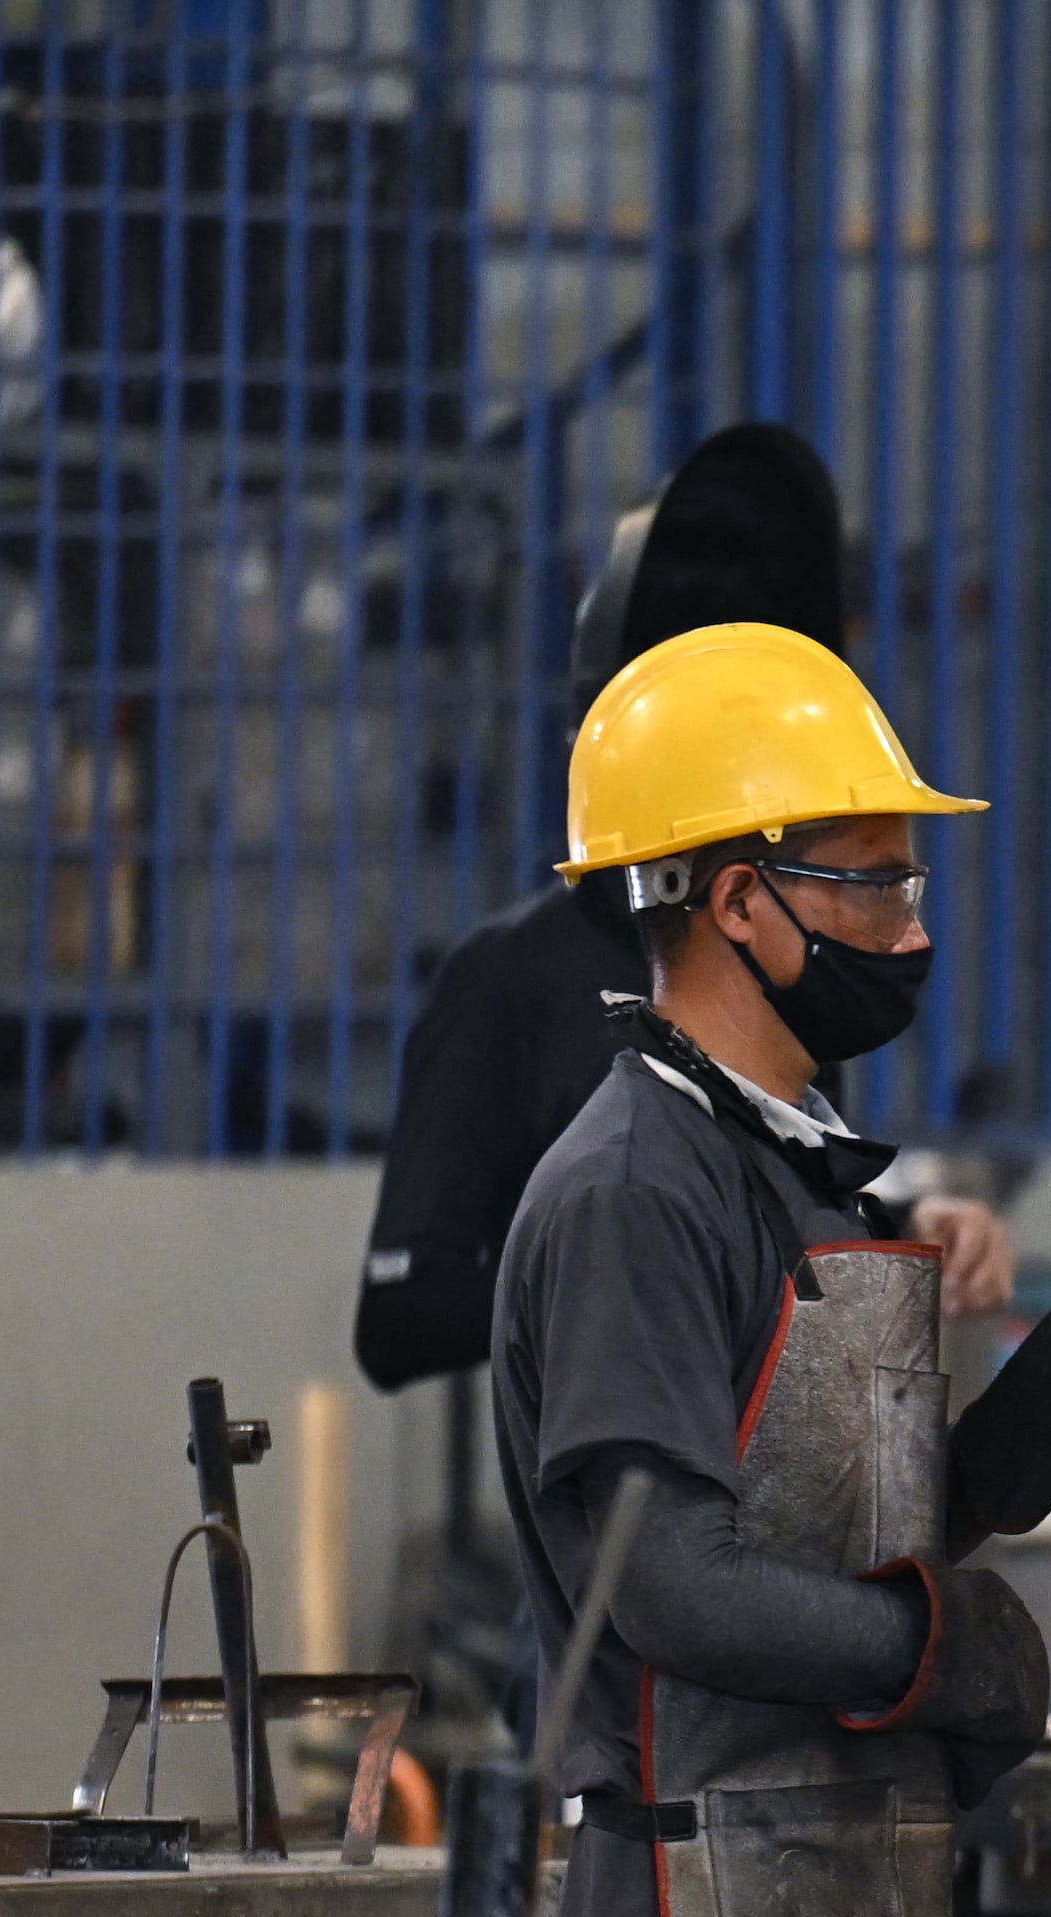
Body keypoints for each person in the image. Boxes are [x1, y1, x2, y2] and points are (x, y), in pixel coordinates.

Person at [492, 622, 1051, 1917]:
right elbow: (674, 1588)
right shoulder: (636, 1190)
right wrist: (940, 1646)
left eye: (913, 882)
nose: (912, 931)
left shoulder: (793, 1171)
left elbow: (871, 1526)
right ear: (739, 900)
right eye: (875, 881)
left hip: (838, 1915)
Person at [365, 425, 1012, 1393]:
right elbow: (399, 1315)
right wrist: (633, 1264)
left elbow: (771, 1216)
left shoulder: (783, 969)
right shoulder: (508, 982)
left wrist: (904, 1229)